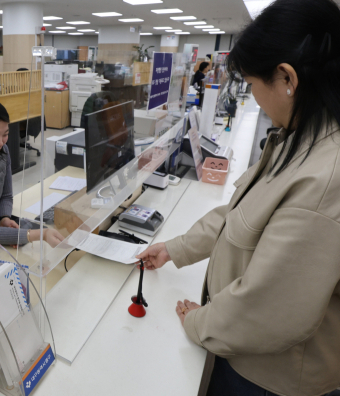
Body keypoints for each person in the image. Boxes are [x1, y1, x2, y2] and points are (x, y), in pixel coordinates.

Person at [136, 0, 340, 395]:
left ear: (287, 78)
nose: (253, 96)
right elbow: (239, 215)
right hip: (246, 349)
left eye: (252, 83)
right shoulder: (300, 139)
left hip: (269, 377)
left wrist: (199, 321)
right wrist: (175, 248)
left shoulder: (325, 179)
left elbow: (270, 310)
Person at [0, 97, 64, 247]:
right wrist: (41, 234)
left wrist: (3, 218)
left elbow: (5, 196)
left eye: (5, 134)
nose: (0, 142)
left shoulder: (2, 152)